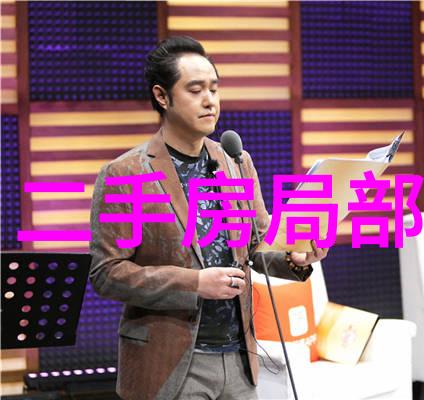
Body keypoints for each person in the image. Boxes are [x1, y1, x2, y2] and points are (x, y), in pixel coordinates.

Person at [89, 36, 329, 400]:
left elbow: (256, 246)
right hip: (169, 364)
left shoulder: (235, 161)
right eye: (195, 90)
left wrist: (295, 259)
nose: (210, 100)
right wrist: (194, 283)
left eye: (214, 89)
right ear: (162, 96)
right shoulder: (126, 172)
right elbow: (106, 273)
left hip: (239, 360)